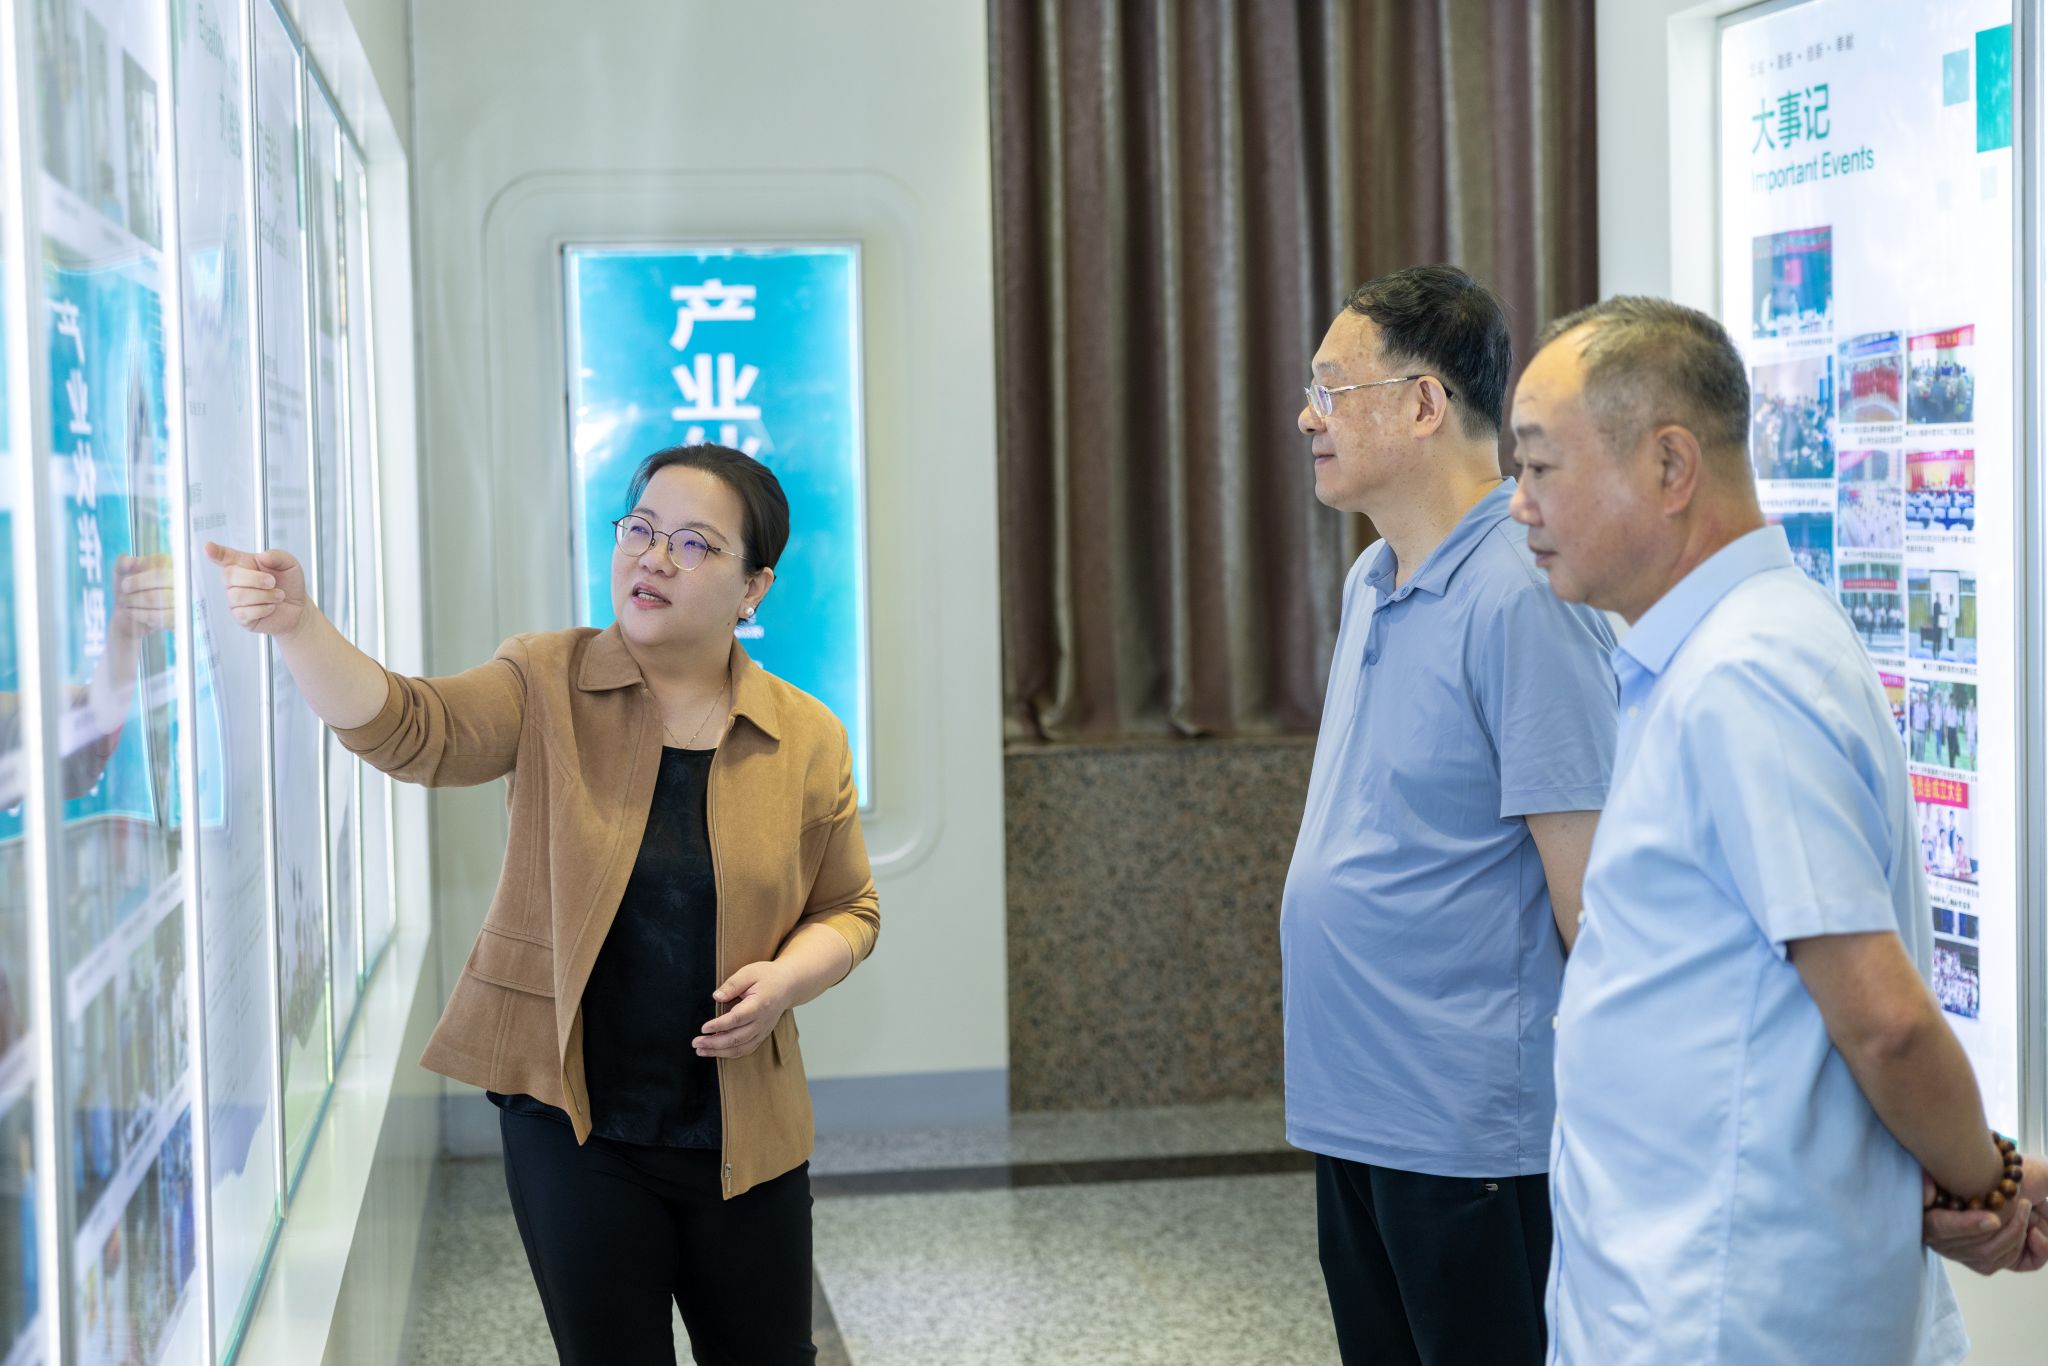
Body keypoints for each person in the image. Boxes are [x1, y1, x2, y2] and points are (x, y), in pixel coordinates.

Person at [208, 443, 878, 1364]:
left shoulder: (805, 736)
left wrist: (787, 982)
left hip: (744, 1130)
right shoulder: (546, 679)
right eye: (640, 530)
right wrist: (300, 627)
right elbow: (412, 729)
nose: (653, 558)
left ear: (753, 587)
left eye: (693, 544)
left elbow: (850, 909)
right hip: (574, 1123)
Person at [1508, 295, 2006, 1364]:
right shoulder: (1717, 651)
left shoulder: (1746, 674)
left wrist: (1989, 1184)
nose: (1518, 504)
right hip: (1680, 1283)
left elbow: (1884, 1019)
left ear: (1668, 466)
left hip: (1727, 1312)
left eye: (1541, 466)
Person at [1280, 265, 1618, 1365]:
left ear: (1424, 403)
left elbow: (1590, 900)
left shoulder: (1522, 594)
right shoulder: (1371, 577)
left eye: (1331, 389)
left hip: (1471, 1132)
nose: (1308, 418)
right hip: (1354, 1107)